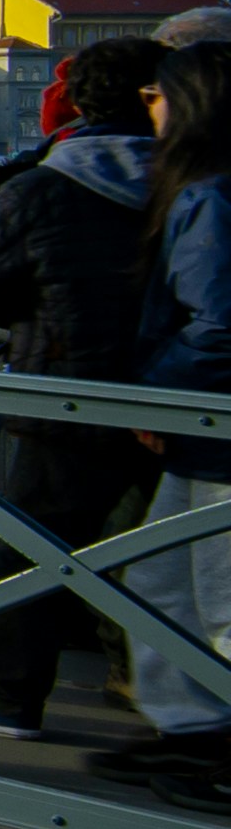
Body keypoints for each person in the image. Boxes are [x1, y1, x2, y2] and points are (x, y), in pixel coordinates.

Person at [0, 38, 164, 734]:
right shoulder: (193, 182)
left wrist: (39, 322)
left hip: (62, 389)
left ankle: (10, 697)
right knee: (161, 559)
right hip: (176, 400)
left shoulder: (40, 186)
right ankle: (160, 697)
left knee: (36, 551)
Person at [130, 41, 231, 745]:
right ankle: (191, 730)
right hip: (204, 430)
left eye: (155, 95)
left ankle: (202, 735)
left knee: (217, 598)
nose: (150, 108)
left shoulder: (210, 200)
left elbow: (219, 325)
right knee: (160, 580)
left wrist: (157, 399)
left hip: (212, 427)